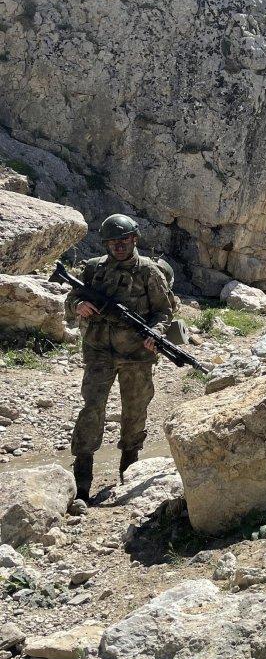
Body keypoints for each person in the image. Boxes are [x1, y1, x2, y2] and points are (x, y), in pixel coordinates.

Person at [65, 214, 176, 503]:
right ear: (105, 244)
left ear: (134, 239)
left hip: (137, 355)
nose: (118, 246)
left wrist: (155, 332)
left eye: (123, 240)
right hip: (99, 351)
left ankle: (130, 472)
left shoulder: (149, 272)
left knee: (135, 412)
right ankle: (82, 481)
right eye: (112, 242)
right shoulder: (92, 269)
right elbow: (70, 300)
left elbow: (164, 311)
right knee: (92, 408)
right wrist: (80, 304)